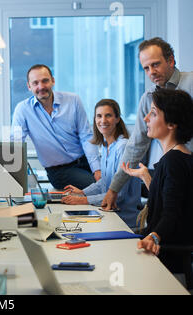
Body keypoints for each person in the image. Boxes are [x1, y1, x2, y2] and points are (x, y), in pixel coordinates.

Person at [102, 37, 193, 210]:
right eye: (146, 68)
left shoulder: (191, 83)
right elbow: (136, 145)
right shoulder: (148, 98)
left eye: (156, 64)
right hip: (169, 171)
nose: (151, 71)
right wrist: (114, 189)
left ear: (171, 60)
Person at [121, 88, 193, 274]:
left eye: (153, 113)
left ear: (171, 123)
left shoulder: (173, 162)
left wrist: (154, 237)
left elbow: (171, 213)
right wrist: (146, 176)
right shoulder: (180, 157)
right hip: (166, 254)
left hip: (166, 261)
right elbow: (170, 199)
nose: (146, 119)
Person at [11, 64, 101, 190]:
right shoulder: (22, 110)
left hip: (85, 161)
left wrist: (97, 169)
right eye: (35, 83)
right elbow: (16, 144)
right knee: (100, 188)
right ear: (29, 86)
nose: (41, 87)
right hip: (60, 172)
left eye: (45, 81)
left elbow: (86, 136)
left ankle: (135, 207)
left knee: (119, 182)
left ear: (52, 81)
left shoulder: (73, 100)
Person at [61, 99, 140, 228]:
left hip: (124, 221)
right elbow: (105, 182)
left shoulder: (124, 147)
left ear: (117, 118)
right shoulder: (106, 146)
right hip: (107, 213)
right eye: (99, 116)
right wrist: (83, 193)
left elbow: (118, 195)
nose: (103, 120)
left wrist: (83, 200)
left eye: (108, 115)